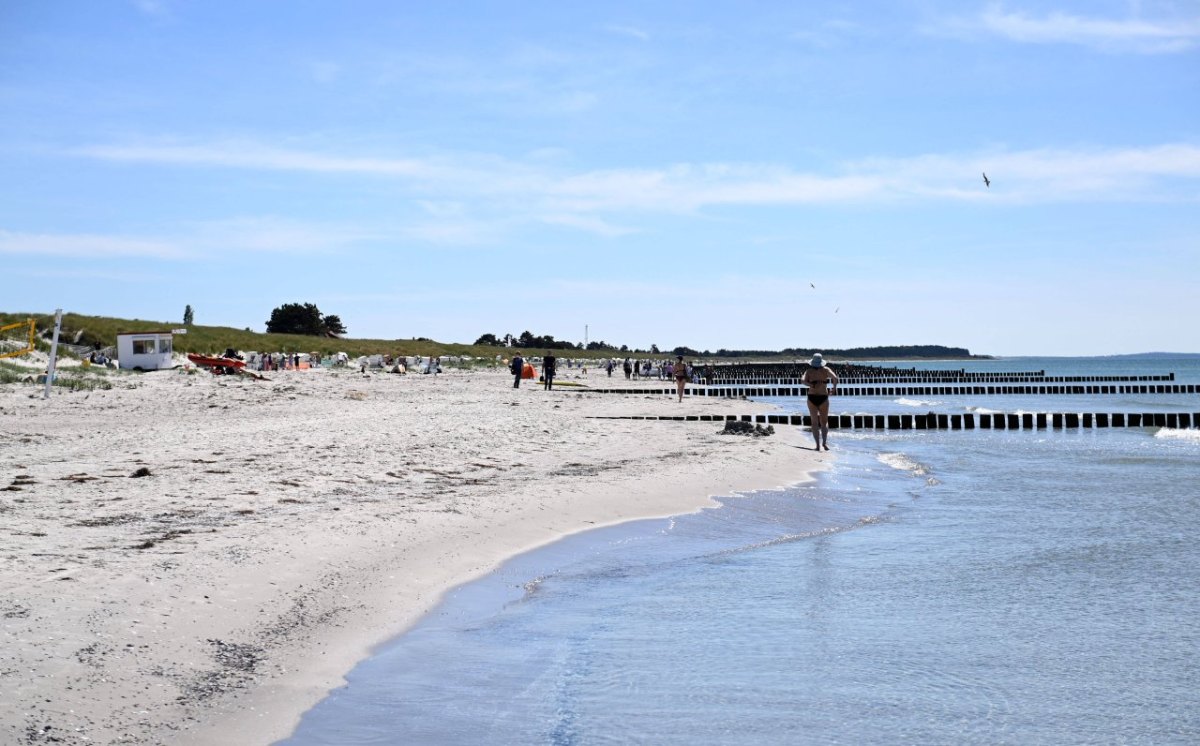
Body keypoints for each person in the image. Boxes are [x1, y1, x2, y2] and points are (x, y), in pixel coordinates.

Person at [802, 353, 839, 450]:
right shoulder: (826, 370)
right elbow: (835, 378)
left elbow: (803, 381)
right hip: (823, 397)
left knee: (814, 422)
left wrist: (811, 385)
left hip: (812, 397)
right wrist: (834, 389)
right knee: (824, 422)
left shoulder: (809, 371)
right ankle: (824, 443)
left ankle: (817, 445)